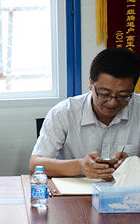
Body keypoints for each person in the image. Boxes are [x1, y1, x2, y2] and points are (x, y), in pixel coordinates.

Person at [30, 47, 140, 178]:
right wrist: (80, 166)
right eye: (105, 94)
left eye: (123, 95)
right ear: (91, 83)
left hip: (127, 190)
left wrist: (134, 166)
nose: (113, 102)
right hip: (72, 189)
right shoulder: (64, 113)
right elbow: (35, 165)